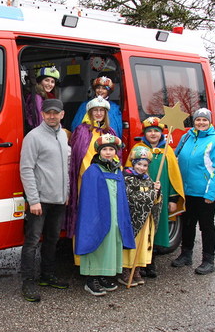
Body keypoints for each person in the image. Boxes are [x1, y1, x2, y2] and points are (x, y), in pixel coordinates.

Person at [19, 98, 70, 302]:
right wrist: (33, 200)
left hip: (58, 200)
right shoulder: (33, 137)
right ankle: (28, 281)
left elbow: (66, 167)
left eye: (55, 112)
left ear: (62, 114)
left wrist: (65, 193)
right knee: (32, 241)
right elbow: (26, 169)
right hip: (39, 201)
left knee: (52, 239)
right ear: (42, 114)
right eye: (48, 112)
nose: (51, 116)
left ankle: (47, 276)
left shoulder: (63, 136)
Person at [75, 134, 135, 296]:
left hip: (115, 214)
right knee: (97, 241)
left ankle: (103, 274)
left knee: (110, 241)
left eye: (111, 149)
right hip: (98, 215)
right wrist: (94, 218)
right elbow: (89, 198)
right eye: (105, 150)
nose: (108, 153)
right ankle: (91, 278)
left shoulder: (116, 169)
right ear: (99, 152)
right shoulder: (93, 170)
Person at [126, 117, 185, 277]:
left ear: (161, 134)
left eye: (156, 131)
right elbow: (128, 174)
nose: (153, 134)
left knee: (155, 229)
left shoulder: (167, 150)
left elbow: (174, 176)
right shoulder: (137, 149)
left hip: (159, 198)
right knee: (141, 230)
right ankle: (138, 263)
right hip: (140, 199)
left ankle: (150, 262)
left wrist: (173, 199)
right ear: (145, 133)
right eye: (149, 131)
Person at [172, 108, 215, 275]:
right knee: (188, 224)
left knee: (206, 226)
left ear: (209, 122)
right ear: (193, 121)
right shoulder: (186, 136)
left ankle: (208, 260)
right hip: (187, 191)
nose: (201, 123)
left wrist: (210, 193)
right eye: (198, 120)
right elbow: (175, 156)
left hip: (206, 192)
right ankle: (186, 254)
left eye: (204, 120)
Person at [64, 96, 118, 238]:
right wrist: (90, 176)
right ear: (90, 112)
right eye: (96, 110)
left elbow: (116, 158)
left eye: (102, 110)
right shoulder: (82, 131)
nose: (99, 113)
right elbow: (78, 156)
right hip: (86, 180)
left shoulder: (109, 132)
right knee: (86, 212)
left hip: (105, 180)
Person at [120, 146, 161, 286]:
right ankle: (126, 271)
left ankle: (136, 269)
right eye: (139, 164)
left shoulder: (147, 179)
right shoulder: (127, 178)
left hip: (145, 220)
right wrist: (151, 194)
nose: (142, 168)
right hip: (132, 219)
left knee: (141, 245)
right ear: (133, 163)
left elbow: (154, 200)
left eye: (145, 165)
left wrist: (157, 191)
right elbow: (131, 197)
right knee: (131, 245)